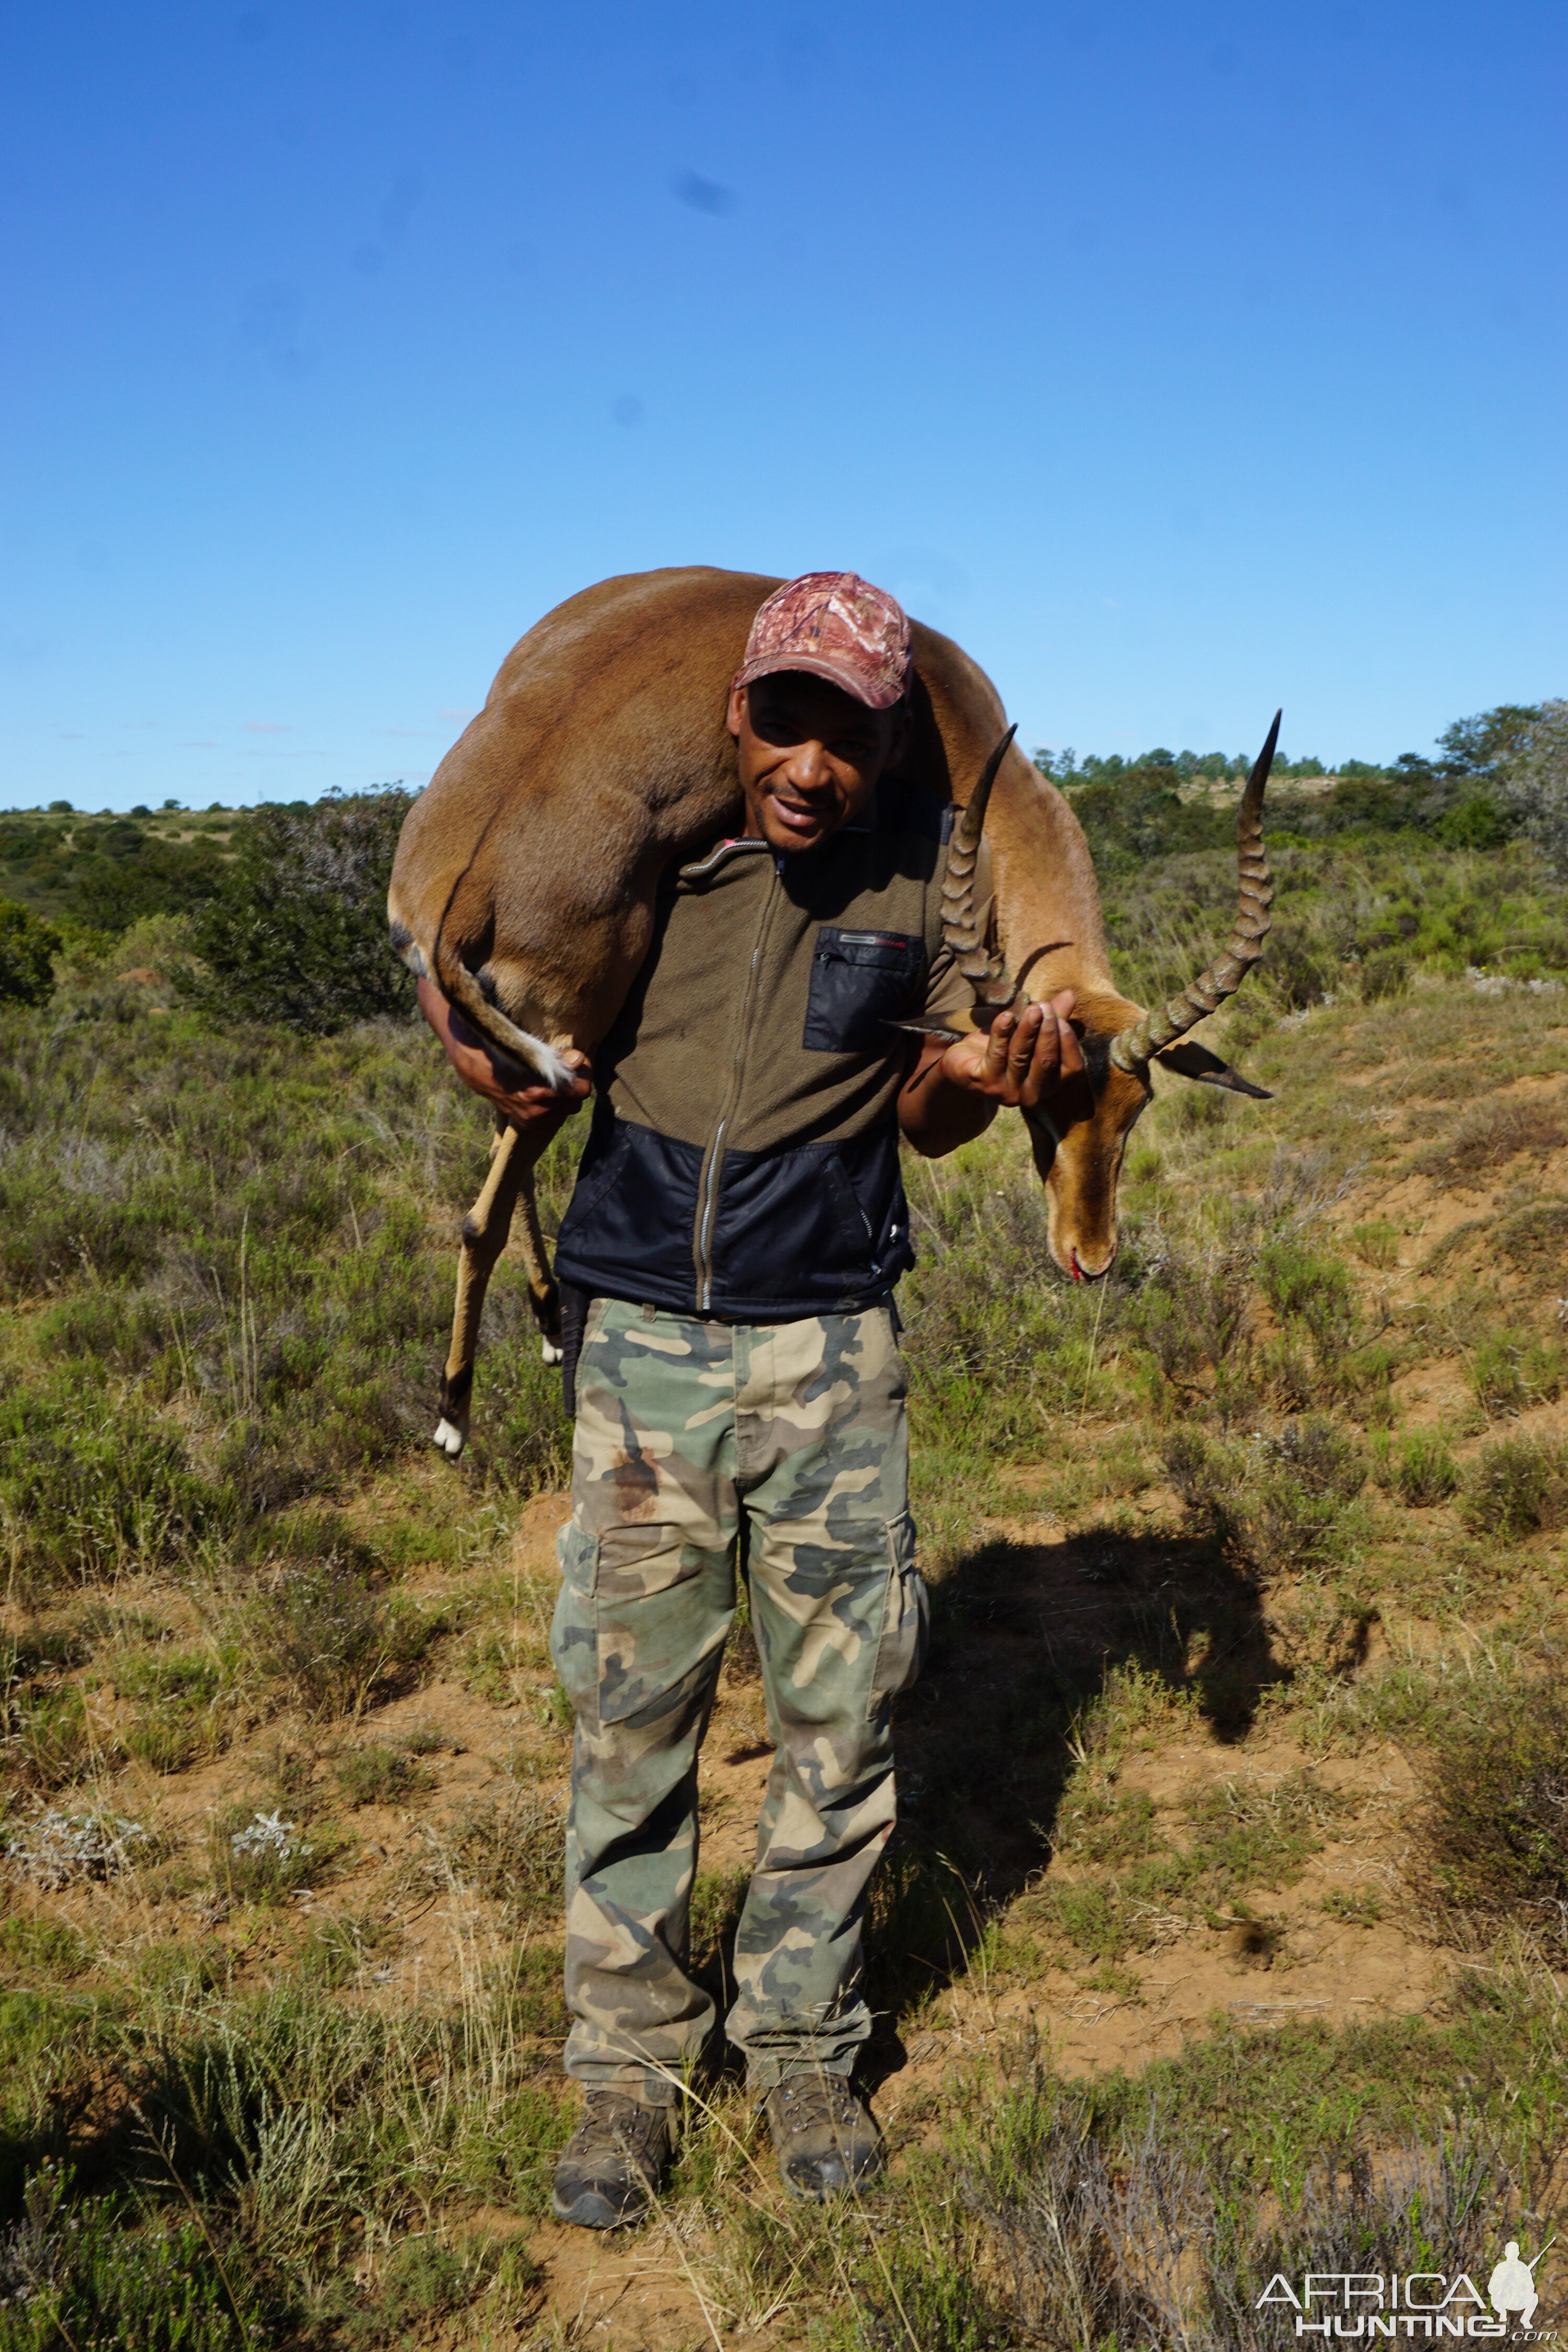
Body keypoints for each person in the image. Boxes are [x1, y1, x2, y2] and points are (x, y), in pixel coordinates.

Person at [418, 572, 1084, 2226]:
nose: (808, 761)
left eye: (844, 732)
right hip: (642, 1343)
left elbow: (924, 1119)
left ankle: (802, 2040)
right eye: (782, 720)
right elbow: (527, 1032)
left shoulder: (922, 885)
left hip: (830, 1352)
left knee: (841, 1721)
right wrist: (471, 1038)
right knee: (629, 1719)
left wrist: (971, 1081)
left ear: (882, 739)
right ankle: (628, 2071)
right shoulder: (664, 868)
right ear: (738, 717)